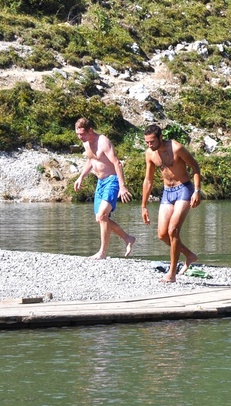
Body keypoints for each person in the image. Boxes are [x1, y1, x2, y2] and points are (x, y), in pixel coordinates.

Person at [141, 124, 202, 283]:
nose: (150, 145)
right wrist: (144, 206)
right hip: (167, 193)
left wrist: (197, 191)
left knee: (173, 230)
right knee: (162, 234)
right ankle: (189, 255)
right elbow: (148, 180)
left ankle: (172, 273)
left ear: (160, 137)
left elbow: (195, 166)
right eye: (147, 142)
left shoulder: (176, 148)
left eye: (152, 141)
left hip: (184, 189)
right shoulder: (150, 154)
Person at [73, 118, 135, 260]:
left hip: (112, 180)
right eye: (77, 134)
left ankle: (102, 252)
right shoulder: (85, 143)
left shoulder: (103, 142)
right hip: (100, 182)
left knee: (102, 216)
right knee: (100, 218)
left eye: (82, 134)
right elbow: (91, 160)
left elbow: (117, 163)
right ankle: (128, 238)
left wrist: (122, 186)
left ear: (90, 130)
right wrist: (81, 177)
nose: (79, 137)